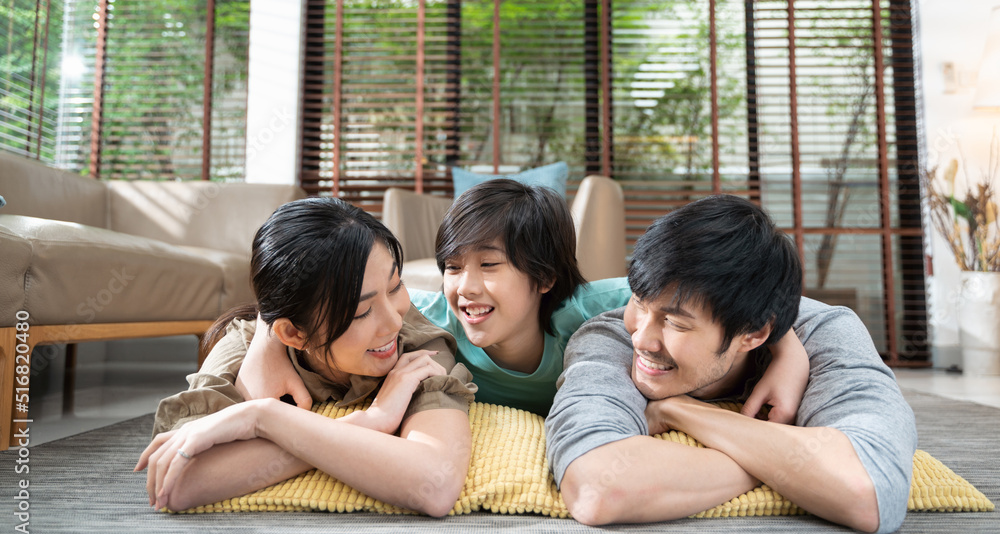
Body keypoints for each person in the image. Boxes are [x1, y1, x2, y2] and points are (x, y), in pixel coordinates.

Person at [240, 180, 809, 418]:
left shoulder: (595, 308)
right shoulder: (425, 321)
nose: (466, 287)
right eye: (453, 267)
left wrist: (788, 351)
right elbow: (324, 299)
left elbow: (735, 299)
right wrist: (266, 339)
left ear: (541, 278)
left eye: (489, 266)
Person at [544, 194, 917, 534]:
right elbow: (597, 488)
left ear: (753, 335)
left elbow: (871, 489)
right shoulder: (609, 336)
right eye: (639, 302)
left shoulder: (827, 333)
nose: (641, 339)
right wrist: (792, 468)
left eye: (675, 322)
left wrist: (681, 411)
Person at [135, 197, 477, 516]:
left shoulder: (416, 346)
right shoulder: (244, 348)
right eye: (360, 312)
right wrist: (371, 420)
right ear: (294, 334)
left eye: (395, 286)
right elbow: (175, 485)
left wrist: (261, 417)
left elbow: (435, 485)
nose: (393, 320)